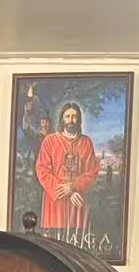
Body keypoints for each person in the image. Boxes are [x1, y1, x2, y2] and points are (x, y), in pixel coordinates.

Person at [35, 102, 100, 239]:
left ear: (79, 120)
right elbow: (42, 170)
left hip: (78, 199)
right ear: (62, 119)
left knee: (76, 244)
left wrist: (72, 187)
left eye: (74, 116)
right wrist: (66, 192)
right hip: (55, 200)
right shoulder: (50, 141)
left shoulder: (85, 142)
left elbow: (92, 171)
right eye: (67, 116)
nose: (71, 120)